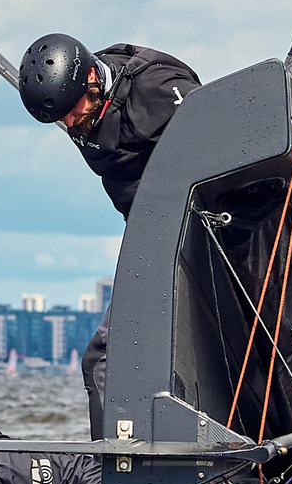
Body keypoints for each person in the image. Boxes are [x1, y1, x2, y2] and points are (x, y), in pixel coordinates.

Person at [16, 33, 200, 436]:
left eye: (71, 111)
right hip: (151, 237)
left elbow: (220, 137)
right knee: (101, 361)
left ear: (92, 82)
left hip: (204, 229)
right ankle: (110, 477)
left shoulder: (156, 87)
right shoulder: (78, 105)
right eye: (59, 117)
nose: (68, 123)